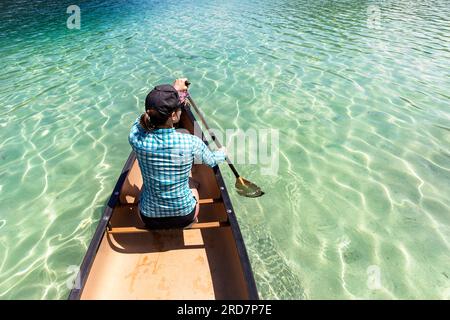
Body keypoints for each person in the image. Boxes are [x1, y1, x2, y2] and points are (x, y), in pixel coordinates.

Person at [128, 79, 226, 229]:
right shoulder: (191, 142)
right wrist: (223, 152)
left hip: (148, 218)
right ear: (174, 115)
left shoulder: (136, 138)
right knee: (191, 182)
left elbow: (139, 122)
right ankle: (192, 219)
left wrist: (173, 92)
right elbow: (211, 161)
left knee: (144, 188)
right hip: (185, 216)